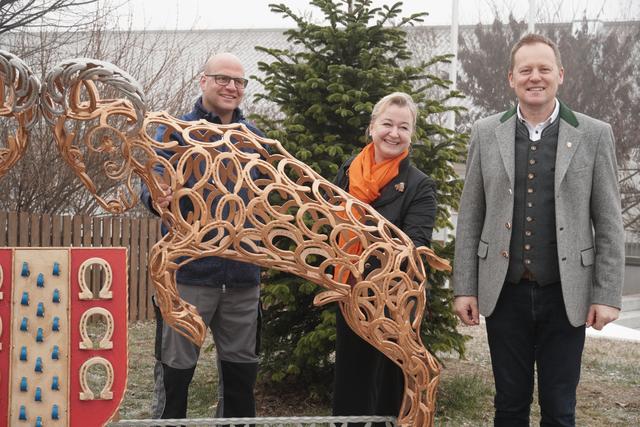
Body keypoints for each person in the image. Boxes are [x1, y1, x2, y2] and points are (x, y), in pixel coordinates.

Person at [453, 33, 625, 426]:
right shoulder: (484, 132)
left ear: (560, 75)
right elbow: (471, 215)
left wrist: (607, 294)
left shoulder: (595, 134)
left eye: (544, 69)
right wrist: (465, 286)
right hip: (504, 292)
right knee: (509, 406)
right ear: (510, 78)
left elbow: (610, 222)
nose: (535, 77)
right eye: (525, 69)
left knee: (560, 408)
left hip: (568, 295)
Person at [141, 53, 263, 420]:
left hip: (243, 279)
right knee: (175, 375)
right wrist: (156, 196)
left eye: (238, 81)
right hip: (188, 277)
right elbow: (150, 185)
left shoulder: (255, 139)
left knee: (241, 380)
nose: (231, 87)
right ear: (203, 81)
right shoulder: (176, 132)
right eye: (222, 78)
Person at [331, 92, 437, 424]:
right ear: (372, 127)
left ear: (411, 135)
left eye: (403, 127)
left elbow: (414, 244)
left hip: (389, 299)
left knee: (385, 380)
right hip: (347, 289)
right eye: (387, 124)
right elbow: (331, 222)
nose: (394, 133)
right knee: (350, 376)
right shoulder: (349, 170)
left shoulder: (420, 185)